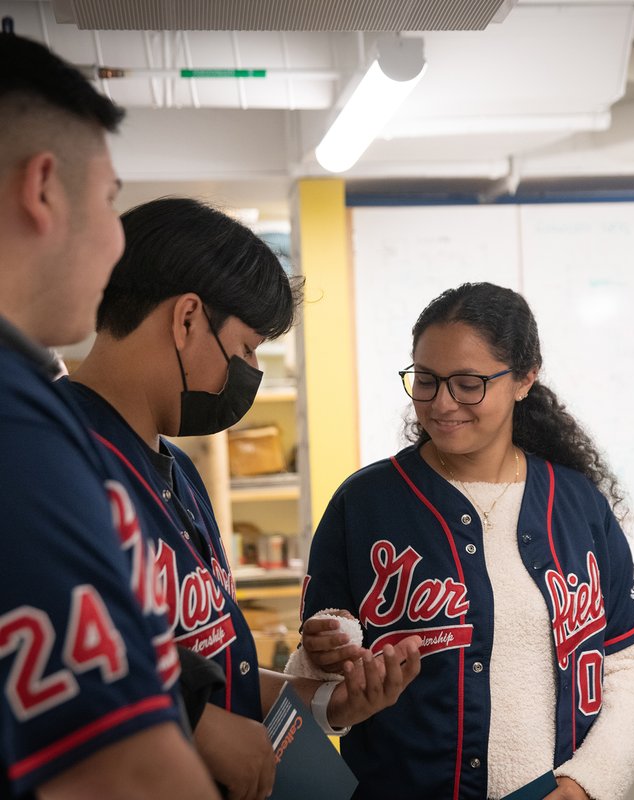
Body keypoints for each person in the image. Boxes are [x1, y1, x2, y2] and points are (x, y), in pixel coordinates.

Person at [58, 196, 422, 800]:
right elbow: (50, 648)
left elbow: (214, 662)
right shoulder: (54, 459)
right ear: (187, 319)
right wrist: (193, 720)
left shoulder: (176, 470)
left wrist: (328, 701)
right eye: (249, 348)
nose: (251, 371)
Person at [297, 282, 634, 800]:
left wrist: (582, 786)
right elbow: (314, 684)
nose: (442, 403)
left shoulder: (578, 504)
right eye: (427, 381)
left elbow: (627, 664)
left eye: (468, 383)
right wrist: (324, 653)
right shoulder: (365, 503)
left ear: (525, 379)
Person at [0, 32, 223, 800]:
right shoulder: (18, 421)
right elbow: (120, 773)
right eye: (109, 198)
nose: (115, 237)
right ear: (43, 189)